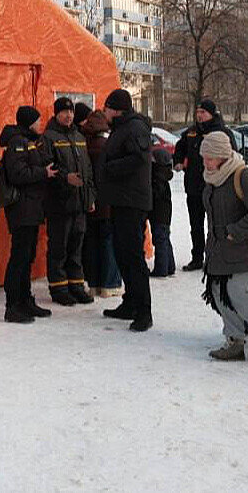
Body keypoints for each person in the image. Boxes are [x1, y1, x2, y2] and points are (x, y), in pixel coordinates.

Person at [198, 131, 248, 361]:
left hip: (245, 248)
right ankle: (235, 339)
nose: (206, 162)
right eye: (204, 157)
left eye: (210, 158)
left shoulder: (242, 176)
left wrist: (235, 232)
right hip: (220, 248)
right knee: (217, 291)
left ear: (223, 156)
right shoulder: (212, 177)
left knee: (235, 290)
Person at [97, 89, 155, 331]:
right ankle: (130, 302)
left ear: (116, 108)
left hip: (132, 202)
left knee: (133, 257)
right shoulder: (122, 128)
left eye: (106, 108)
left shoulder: (134, 128)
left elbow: (139, 159)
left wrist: (110, 168)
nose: (104, 112)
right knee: (123, 254)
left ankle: (143, 311)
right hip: (121, 201)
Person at [0, 106, 59, 324]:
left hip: (32, 208)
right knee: (19, 257)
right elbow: (18, 174)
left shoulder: (30, 140)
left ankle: (25, 300)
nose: (40, 123)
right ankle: (12, 305)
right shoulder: (17, 143)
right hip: (22, 209)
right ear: (28, 122)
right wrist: (43, 173)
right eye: (37, 120)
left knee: (28, 256)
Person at [40, 97, 96, 306]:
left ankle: (76, 285)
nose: (68, 115)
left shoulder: (79, 136)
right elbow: (47, 166)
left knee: (76, 247)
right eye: (64, 112)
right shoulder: (48, 137)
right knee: (59, 247)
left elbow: (88, 169)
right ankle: (59, 287)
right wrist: (65, 178)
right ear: (56, 114)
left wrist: (90, 197)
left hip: (80, 203)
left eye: (71, 112)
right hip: (59, 203)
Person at [172, 99, 236, 271]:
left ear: (212, 114)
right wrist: (178, 161)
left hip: (215, 187)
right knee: (196, 225)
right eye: (198, 112)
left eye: (203, 112)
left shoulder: (222, 133)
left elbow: (233, 156)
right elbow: (179, 149)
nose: (200, 115)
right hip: (193, 186)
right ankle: (197, 257)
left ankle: (215, 257)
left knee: (216, 225)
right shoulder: (191, 132)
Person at [78, 103, 123, 297]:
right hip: (107, 202)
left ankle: (94, 283)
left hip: (88, 202)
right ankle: (110, 284)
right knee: (108, 243)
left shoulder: (82, 145)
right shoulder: (108, 146)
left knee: (91, 244)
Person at [149, 146, 176, 277]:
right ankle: (169, 266)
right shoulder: (165, 179)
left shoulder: (156, 180)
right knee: (165, 238)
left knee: (160, 239)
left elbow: (155, 196)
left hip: (158, 214)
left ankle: (161, 268)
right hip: (165, 214)